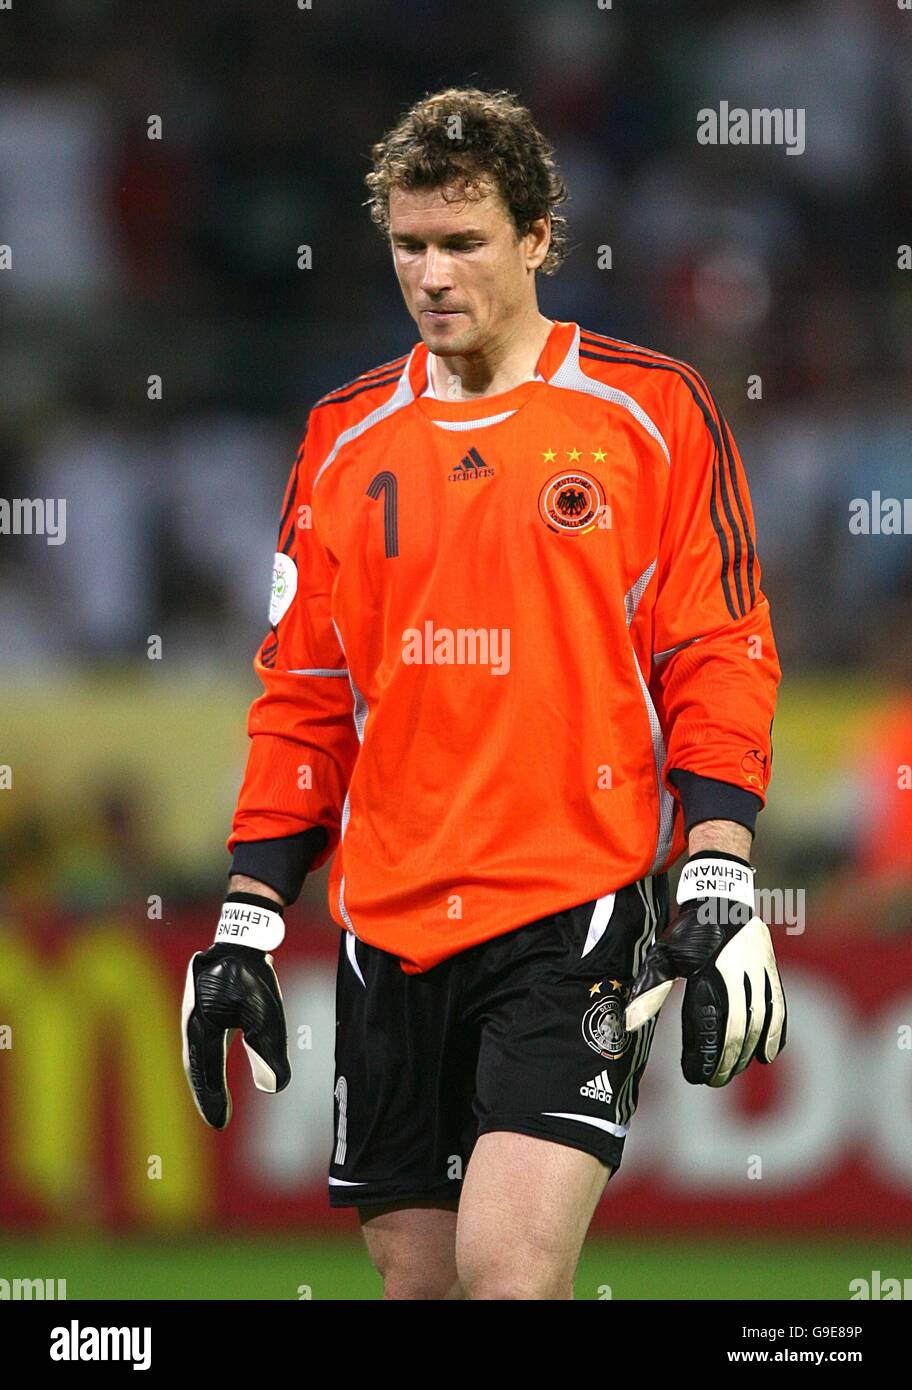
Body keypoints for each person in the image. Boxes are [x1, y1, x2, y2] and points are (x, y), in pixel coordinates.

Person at [182, 87, 786, 1300]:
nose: (433, 273)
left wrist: (716, 862)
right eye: (410, 244)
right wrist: (250, 911)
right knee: (421, 1287)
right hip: (389, 925)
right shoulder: (344, 437)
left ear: (539, 237)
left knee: (510, 1273)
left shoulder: (652, 411)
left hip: (574, 910)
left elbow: (719, 647)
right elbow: (302, 692)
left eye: (464, 241)